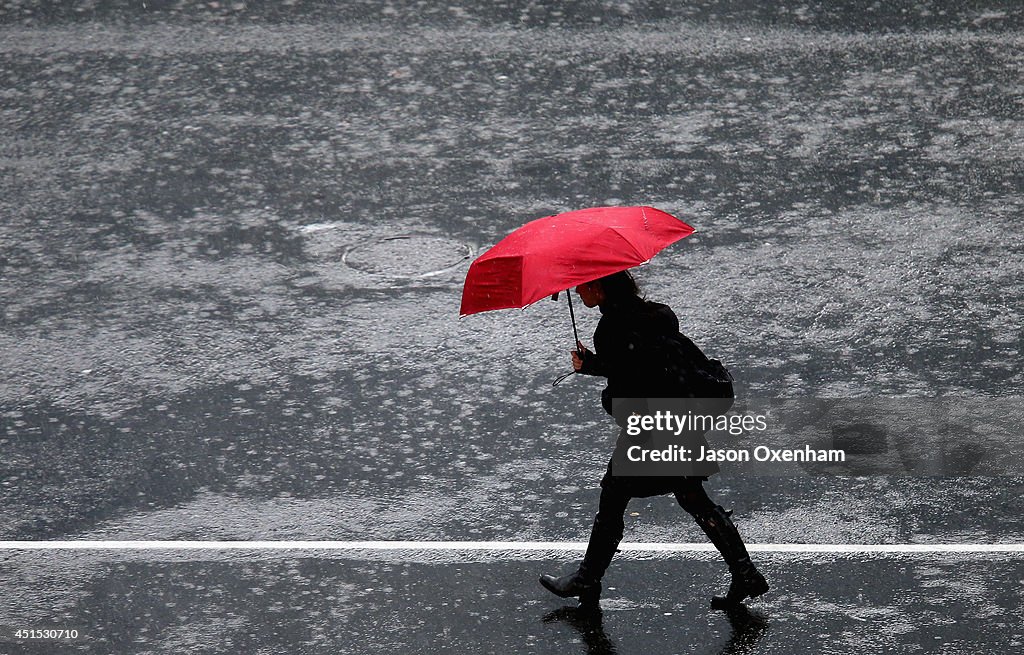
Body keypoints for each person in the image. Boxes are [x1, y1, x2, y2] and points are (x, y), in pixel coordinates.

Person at [539, 270, 769, 610]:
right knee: (692, 497)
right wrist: (596, 365)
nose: (578, 289)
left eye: (582, 283)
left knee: (615, 495)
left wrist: (600, 378)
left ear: (598, 286)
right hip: (681, 415)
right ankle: (745, 573)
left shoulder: (611, 329)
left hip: (653, 426)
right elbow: (642, 362)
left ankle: (588, 578)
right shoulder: (655, 314)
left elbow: (627, 387)